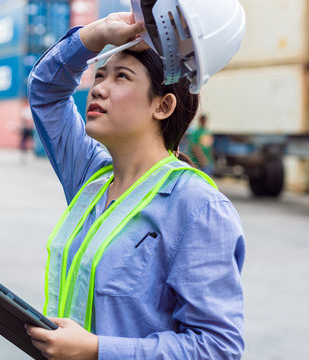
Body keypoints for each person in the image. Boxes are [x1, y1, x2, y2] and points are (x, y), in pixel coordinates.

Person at [24, 12, 245, 360]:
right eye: (99, 74)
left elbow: (216, 348)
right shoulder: (91, 178)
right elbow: (45, 91)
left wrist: (97, 350)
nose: (98, 87)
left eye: (121, 77)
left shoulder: (197, 207)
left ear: (163, 105)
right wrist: (96, 35)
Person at [19, 99, 35, 164]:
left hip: (30, 128)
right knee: (24, 141)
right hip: (26, 128)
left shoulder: (28, 110)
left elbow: (29, 120)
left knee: (30, 141)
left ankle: (32, 153)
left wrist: (29, 125)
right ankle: (25, 154)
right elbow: (23, 119)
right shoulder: (25, 110)